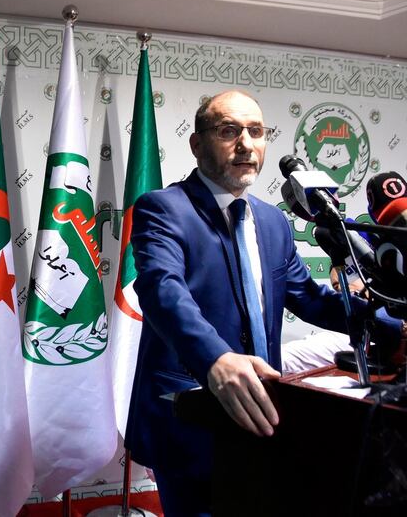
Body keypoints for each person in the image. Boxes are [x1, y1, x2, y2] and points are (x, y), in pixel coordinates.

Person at [124, 90, 390, 516]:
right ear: (197, 144)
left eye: (256, 131)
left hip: (265, 412)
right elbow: (162, 291)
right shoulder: (164, 209)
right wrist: (216, 360)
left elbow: (310, 298)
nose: (246, 144)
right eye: (229, 131)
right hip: (195, 416)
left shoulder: (273, 221)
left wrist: (388, 321)